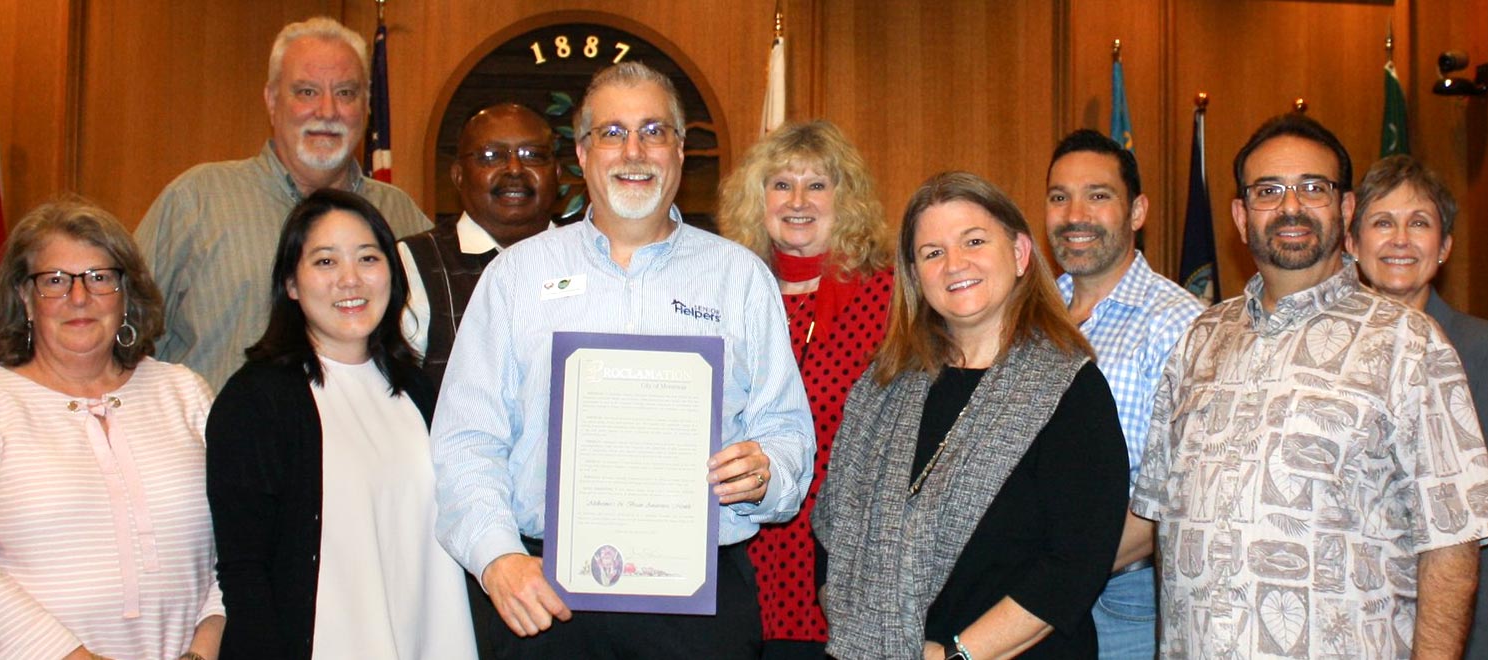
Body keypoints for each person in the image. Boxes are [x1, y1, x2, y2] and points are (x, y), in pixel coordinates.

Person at [431, 61, 815, 659]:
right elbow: (466, 439)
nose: (633, 150)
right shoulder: (515, 279)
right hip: (543, 600)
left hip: (700, 605)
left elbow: (787, 430)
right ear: (582, 155)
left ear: (680, 152)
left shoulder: (740, 279)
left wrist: (767, 470)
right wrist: (496, 557)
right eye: (611, 133)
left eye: (654, 131)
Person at [1131, 114, 1488, 658]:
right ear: (1239, 214)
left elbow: (1453, 543)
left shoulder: (1410, 345)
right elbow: (1155, 514)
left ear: (1344, 209)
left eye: (1312, 188)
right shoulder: (1198, 340)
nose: (1290, 207)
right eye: (1268, 191)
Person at [813, 171, 1129, 659]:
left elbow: (1074, 564)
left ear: (1020, 254)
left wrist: (957, 655)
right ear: (915, 275)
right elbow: (835, 527)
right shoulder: (882, 387)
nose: (954, 264)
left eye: (974, 241)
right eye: (932, 252)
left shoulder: (1070, 389)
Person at [205, 190, 476, 659]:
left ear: (393, 273)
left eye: (368, 258)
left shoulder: (419, 390)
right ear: (290, 283)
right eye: (325, 262)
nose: (350, 280)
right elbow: (243, 571)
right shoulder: (255, 401)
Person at [0, 200, 224, 659]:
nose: (79, 298)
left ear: (127, 293)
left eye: (100, 277)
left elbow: (241, 544)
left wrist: (203, 650)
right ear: (25, 299)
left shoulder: (185, 394)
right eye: (55, 281)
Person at [137, 16, 430, 389]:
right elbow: (123, 330)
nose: (327, 111)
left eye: (345, 93)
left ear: (367, 105)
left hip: (361, 441)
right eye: (306, 92)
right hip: (214, 445)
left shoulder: (403, 216)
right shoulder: (196, 201)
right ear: (272, 100)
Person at [718, 119, 892, 659]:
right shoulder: (723, 294)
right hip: (738, 549)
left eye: (817, 184)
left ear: (846, 198)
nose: (798, 200)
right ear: (758, 197)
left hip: (842, 557)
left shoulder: (890, 297)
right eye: (781, 184)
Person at [1043, 128, 1204, 658]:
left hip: (1124, 602)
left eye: (1098, 195)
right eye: (1059, 197)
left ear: (1137, 212)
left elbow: (1180, 497)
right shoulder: (1031, 319)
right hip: (1028, 592)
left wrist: (1051, 578)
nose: (1074, 215)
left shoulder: (1180, 325)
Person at [1344, 153, 1488, 656]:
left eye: (1419, 223)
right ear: (1351, 242)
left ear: (1444, 246)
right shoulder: (1324, 360)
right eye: (1382, 222)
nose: (1400, 240)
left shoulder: (1480, 351)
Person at [399, 102, 559, 387]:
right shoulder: (412, 263)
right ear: (458, 175)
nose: (514, 169)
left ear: (557, 173)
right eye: (491, 156)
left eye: (532, 155)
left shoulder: (589, 258)